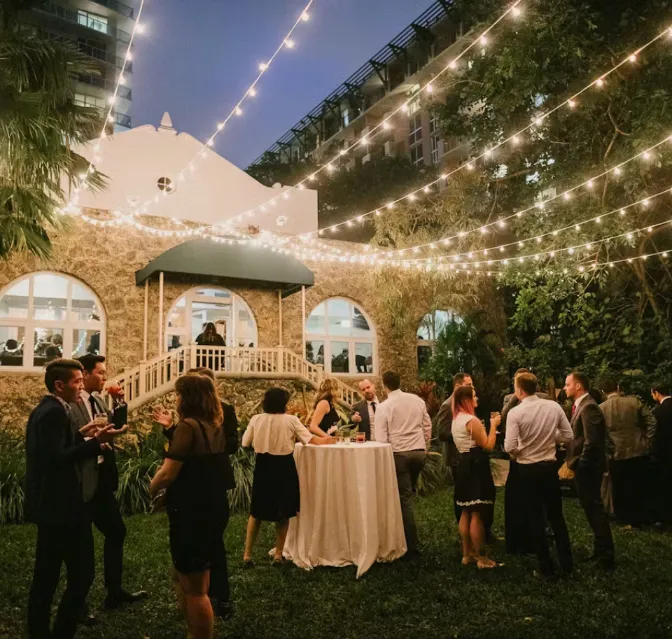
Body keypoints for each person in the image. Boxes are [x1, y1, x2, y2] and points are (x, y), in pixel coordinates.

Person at [25, 359, 126, 639]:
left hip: (52, 507)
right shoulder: (55, 412)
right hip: (64, 507)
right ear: (60, 385)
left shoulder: (48, 409)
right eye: (77, 382)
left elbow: (56, 448)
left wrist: (83, 434)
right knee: (81, 575)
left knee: (46, 574)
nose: (81, 386)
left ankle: (38, 631)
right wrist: (94, 443)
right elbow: (55, 460)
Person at [153, 367, 239, 621]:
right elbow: (187, 449)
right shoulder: (191, 421)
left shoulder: (222, 413)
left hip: (210, 483)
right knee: (201, 547)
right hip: (196, 485)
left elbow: (231, 444)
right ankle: (194, 598)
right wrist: (171, 429)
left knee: (212, 547)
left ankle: (219, 597)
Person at [68, 355, 146, 624]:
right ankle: (77, 604)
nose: (105, 377)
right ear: (85, 374)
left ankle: (114, 592)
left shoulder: (99, 401)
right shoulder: (71, 404)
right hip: (80, 483)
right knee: (81, 548)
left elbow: (113, 424)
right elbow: (70, 442)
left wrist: (121, 402)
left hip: (101, 479)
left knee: (117, 531)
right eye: (100, 373)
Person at [242, 387, 336, 565]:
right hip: (284, 467)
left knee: (256, 512)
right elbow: (310, 440)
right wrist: (328, 440)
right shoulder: (291, 420)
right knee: (284, 511)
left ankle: (247, 554)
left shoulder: (256, 419)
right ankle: (278, 554)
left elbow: (245, 442)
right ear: (283, 403)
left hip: (263, 466)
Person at [505, 373, 574, 578]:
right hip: (549, 469)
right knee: (556, 516)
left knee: (535, 517)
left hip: (528, 470)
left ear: (519, 390)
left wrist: (523, 449)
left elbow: (509, 446)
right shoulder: (553, 406)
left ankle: (546, 567)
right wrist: (550, 438)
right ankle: (567, 563)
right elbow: (569, 436)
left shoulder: (516, 413)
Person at [374, 371, 432, 558]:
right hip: (419, 453)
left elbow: (381, 438)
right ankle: (400, 535)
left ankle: (411, 546)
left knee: (404, 499)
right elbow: (427, 426)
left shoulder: (384, 407)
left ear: (385, 385)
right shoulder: (417, 400)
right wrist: (425, 447)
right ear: (400, 381)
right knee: (408, 494)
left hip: (400, 454)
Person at [564, 371, 615, 570]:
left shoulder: (589, 407)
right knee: (591, 509)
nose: (565, 387)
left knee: (595, 510)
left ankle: (606, 556)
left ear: (578, 386)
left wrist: (582, 464)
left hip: (589, 467)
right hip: (584, 466)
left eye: (568, 384)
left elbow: (592, 442)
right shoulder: (581, 406)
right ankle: (600, 550)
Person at [437, 373, 495, 534]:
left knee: (471, 503)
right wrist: (465, 432)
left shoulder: (467, 408)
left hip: (469, 455)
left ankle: (479, 534)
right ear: (458, 387)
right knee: (467, 502)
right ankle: (474, 537)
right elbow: (441, 432)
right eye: (469, 385)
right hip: (460, 458)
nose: (473, 389)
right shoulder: (447, 406)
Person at [501, 368, 549, 556]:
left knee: (535, 499)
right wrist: (514, 398)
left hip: (528, 453)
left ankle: (538, 535)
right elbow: (505, 416)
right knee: (517, 499)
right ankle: (519, 538)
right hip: (518, 455)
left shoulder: (545, 399)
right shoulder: (509, 398)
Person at [451, 385, 499, 569]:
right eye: (474, 396)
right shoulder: (472, 420)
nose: (477, 398)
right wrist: (494, 425)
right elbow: (487, 445)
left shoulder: (456, 420)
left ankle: (466, 554)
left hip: (463, 463)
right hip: (476, 464)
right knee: (477, 513)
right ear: (466, 400)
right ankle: (482, 557)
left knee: (465, 510)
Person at [599, 378, 656, 527]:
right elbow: (651, 421)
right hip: (638, 448)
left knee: (619, 486)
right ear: (618, 387)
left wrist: (608, 448)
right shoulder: (633, 402)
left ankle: (623, 517)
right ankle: (641, 517)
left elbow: (600, 433)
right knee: (639, 483)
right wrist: (647, 440)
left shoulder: (601, 408)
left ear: (603, 392)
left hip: (616, 451)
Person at [651, 381, 672, 524]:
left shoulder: (658, 411)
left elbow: (655, 433)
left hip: (664, 451)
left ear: (656, 393)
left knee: (664, 484)